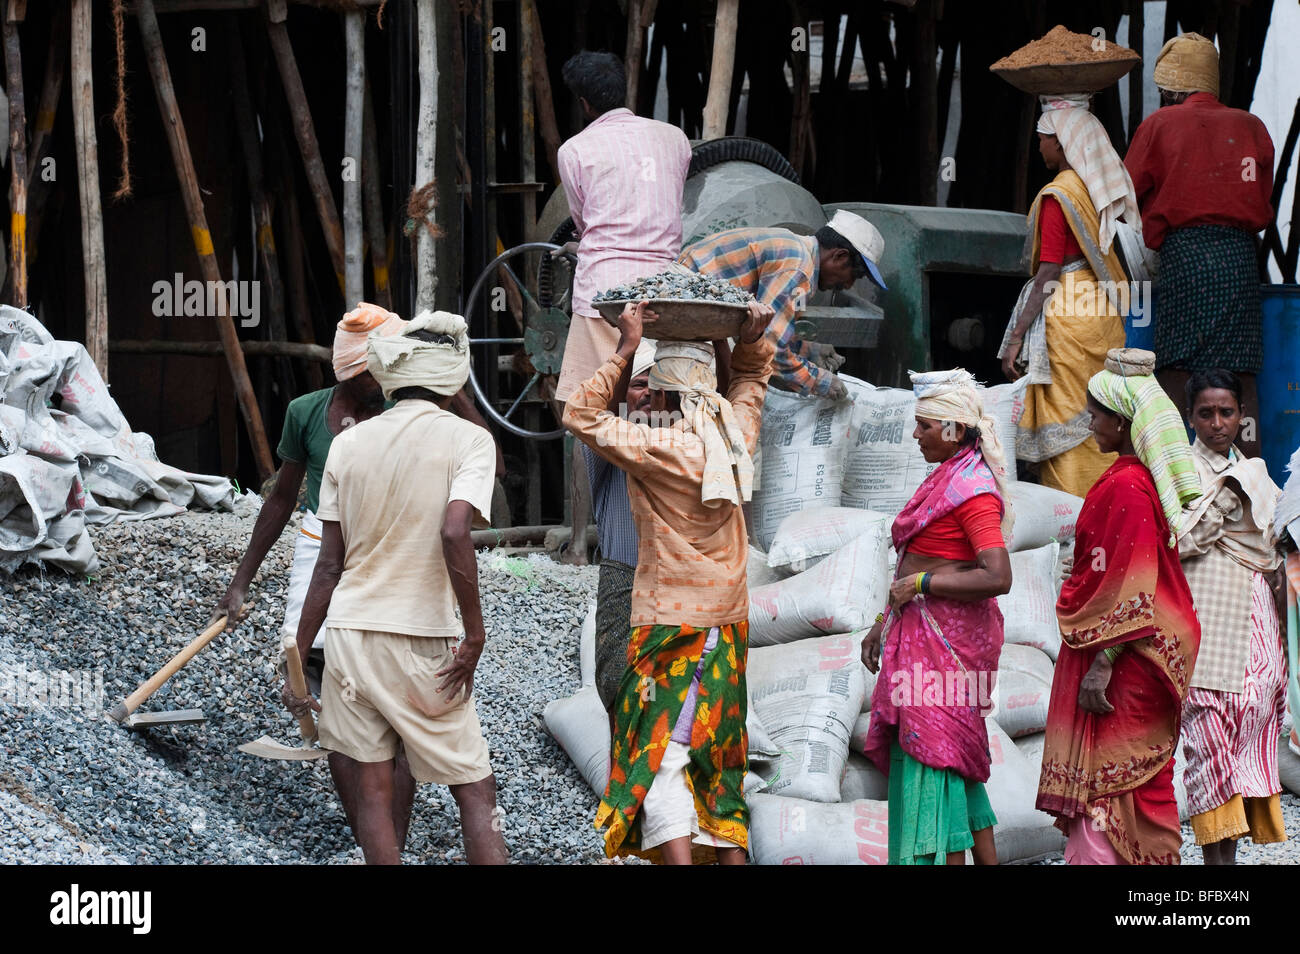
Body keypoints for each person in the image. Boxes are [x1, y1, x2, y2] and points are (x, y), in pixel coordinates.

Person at [283, 312, 508, 865]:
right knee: (474, 788)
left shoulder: (349, 444)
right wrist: (474, 636)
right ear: (453, 381)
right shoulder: (470, 441)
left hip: (350, 636)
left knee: (374, 789)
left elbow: (328, 564)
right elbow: (456, 529)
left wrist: (296, 648)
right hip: (421, 637)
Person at [563, 298, 776, 864]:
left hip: (666, 627)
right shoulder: (738, 438)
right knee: (719, 768)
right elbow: (754, 381)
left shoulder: (658, 448)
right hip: (725, 628)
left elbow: (580, 414)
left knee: (654, 760)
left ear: (658, 396)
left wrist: (626, 346)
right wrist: (739, 339)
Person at [213, 303, 417, 844]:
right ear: (355, 371)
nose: (393, 375)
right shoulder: (306, 413)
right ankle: (374, 847)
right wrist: (241, 580)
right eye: (383, 366)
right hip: (320, 551)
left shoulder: (404, 413)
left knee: (397, 715)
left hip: (386, 556)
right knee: (329, 708)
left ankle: (389, 843)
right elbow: (281, 499)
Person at [1037, 348, 1202, 865]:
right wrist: (1083, 574)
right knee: (1138, 785)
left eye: (1096, 413)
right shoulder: (1134, 481)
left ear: (1123, 421)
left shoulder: (1128, 486)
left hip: (1124, 658)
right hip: (1133, 654)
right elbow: (1113, 566)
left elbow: (1135, 587)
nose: (1090, 422)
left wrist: (1101, 666)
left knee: (1113, 785)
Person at [861, 369, 1014, 865]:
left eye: (924, 425)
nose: (915, 434)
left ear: (951, 430)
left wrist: (923, 585)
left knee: (937, 755)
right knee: (948, 761)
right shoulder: (947, 477)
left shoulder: (973, 491)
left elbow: (997, 575)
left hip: (949, 645)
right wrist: (883, 621)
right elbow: (915, 563)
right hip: (923, 636)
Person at [1124, 33, 1275, 459]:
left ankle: (1173, 475)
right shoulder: (1252, 127)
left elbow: (1125, 194)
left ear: (1171, 86)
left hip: (1185, 258)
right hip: (1238, 260)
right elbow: (1261, 203)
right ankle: (1251, 492)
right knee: (1240, 376)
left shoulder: (1159, 125)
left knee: (1176, 371)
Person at [1000, 94, 1140, 497]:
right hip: (1101, 313)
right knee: (1099, 415)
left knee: (1066, 426)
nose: (1038, 145)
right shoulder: (1095, 188)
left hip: (1066, 312)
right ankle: (1108, 505)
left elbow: (1047, 273)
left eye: (1042, 137)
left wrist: (1014, 338)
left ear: (1060, 143)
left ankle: (1073, 515)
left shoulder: (1057, 194)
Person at [1177, 369, 1286, 864]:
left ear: (1242, 417)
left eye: (1226, 412)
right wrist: (1225, 495)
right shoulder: (1180, 471)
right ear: (1190, 417)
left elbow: (1270, 546)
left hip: (1255, 619)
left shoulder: (1257, 473)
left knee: (1245, 735)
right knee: (1207, 740)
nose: (1217, 423)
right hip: (1206, 617)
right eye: (1206, 413)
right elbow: (1178, 540)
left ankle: (1230, 865)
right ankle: (1216, 868)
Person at [553, 51, 692, 404]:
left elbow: (583, 222)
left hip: (604, 293)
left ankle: (604, 458)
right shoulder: (675, 138)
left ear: (584, 104)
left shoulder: (574, 151)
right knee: (661, 405)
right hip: (665, 289)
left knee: (594, 405)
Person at [677, 210, 887, 399]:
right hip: (685, 308)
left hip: (699, 308)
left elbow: (777, 329)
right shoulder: (799, 268)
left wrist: (808, 350)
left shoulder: (800, 256)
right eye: (854, 276)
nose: (848, 285)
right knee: (741, 389)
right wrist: (820, 381)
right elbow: (771, 350)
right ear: (840, 256)